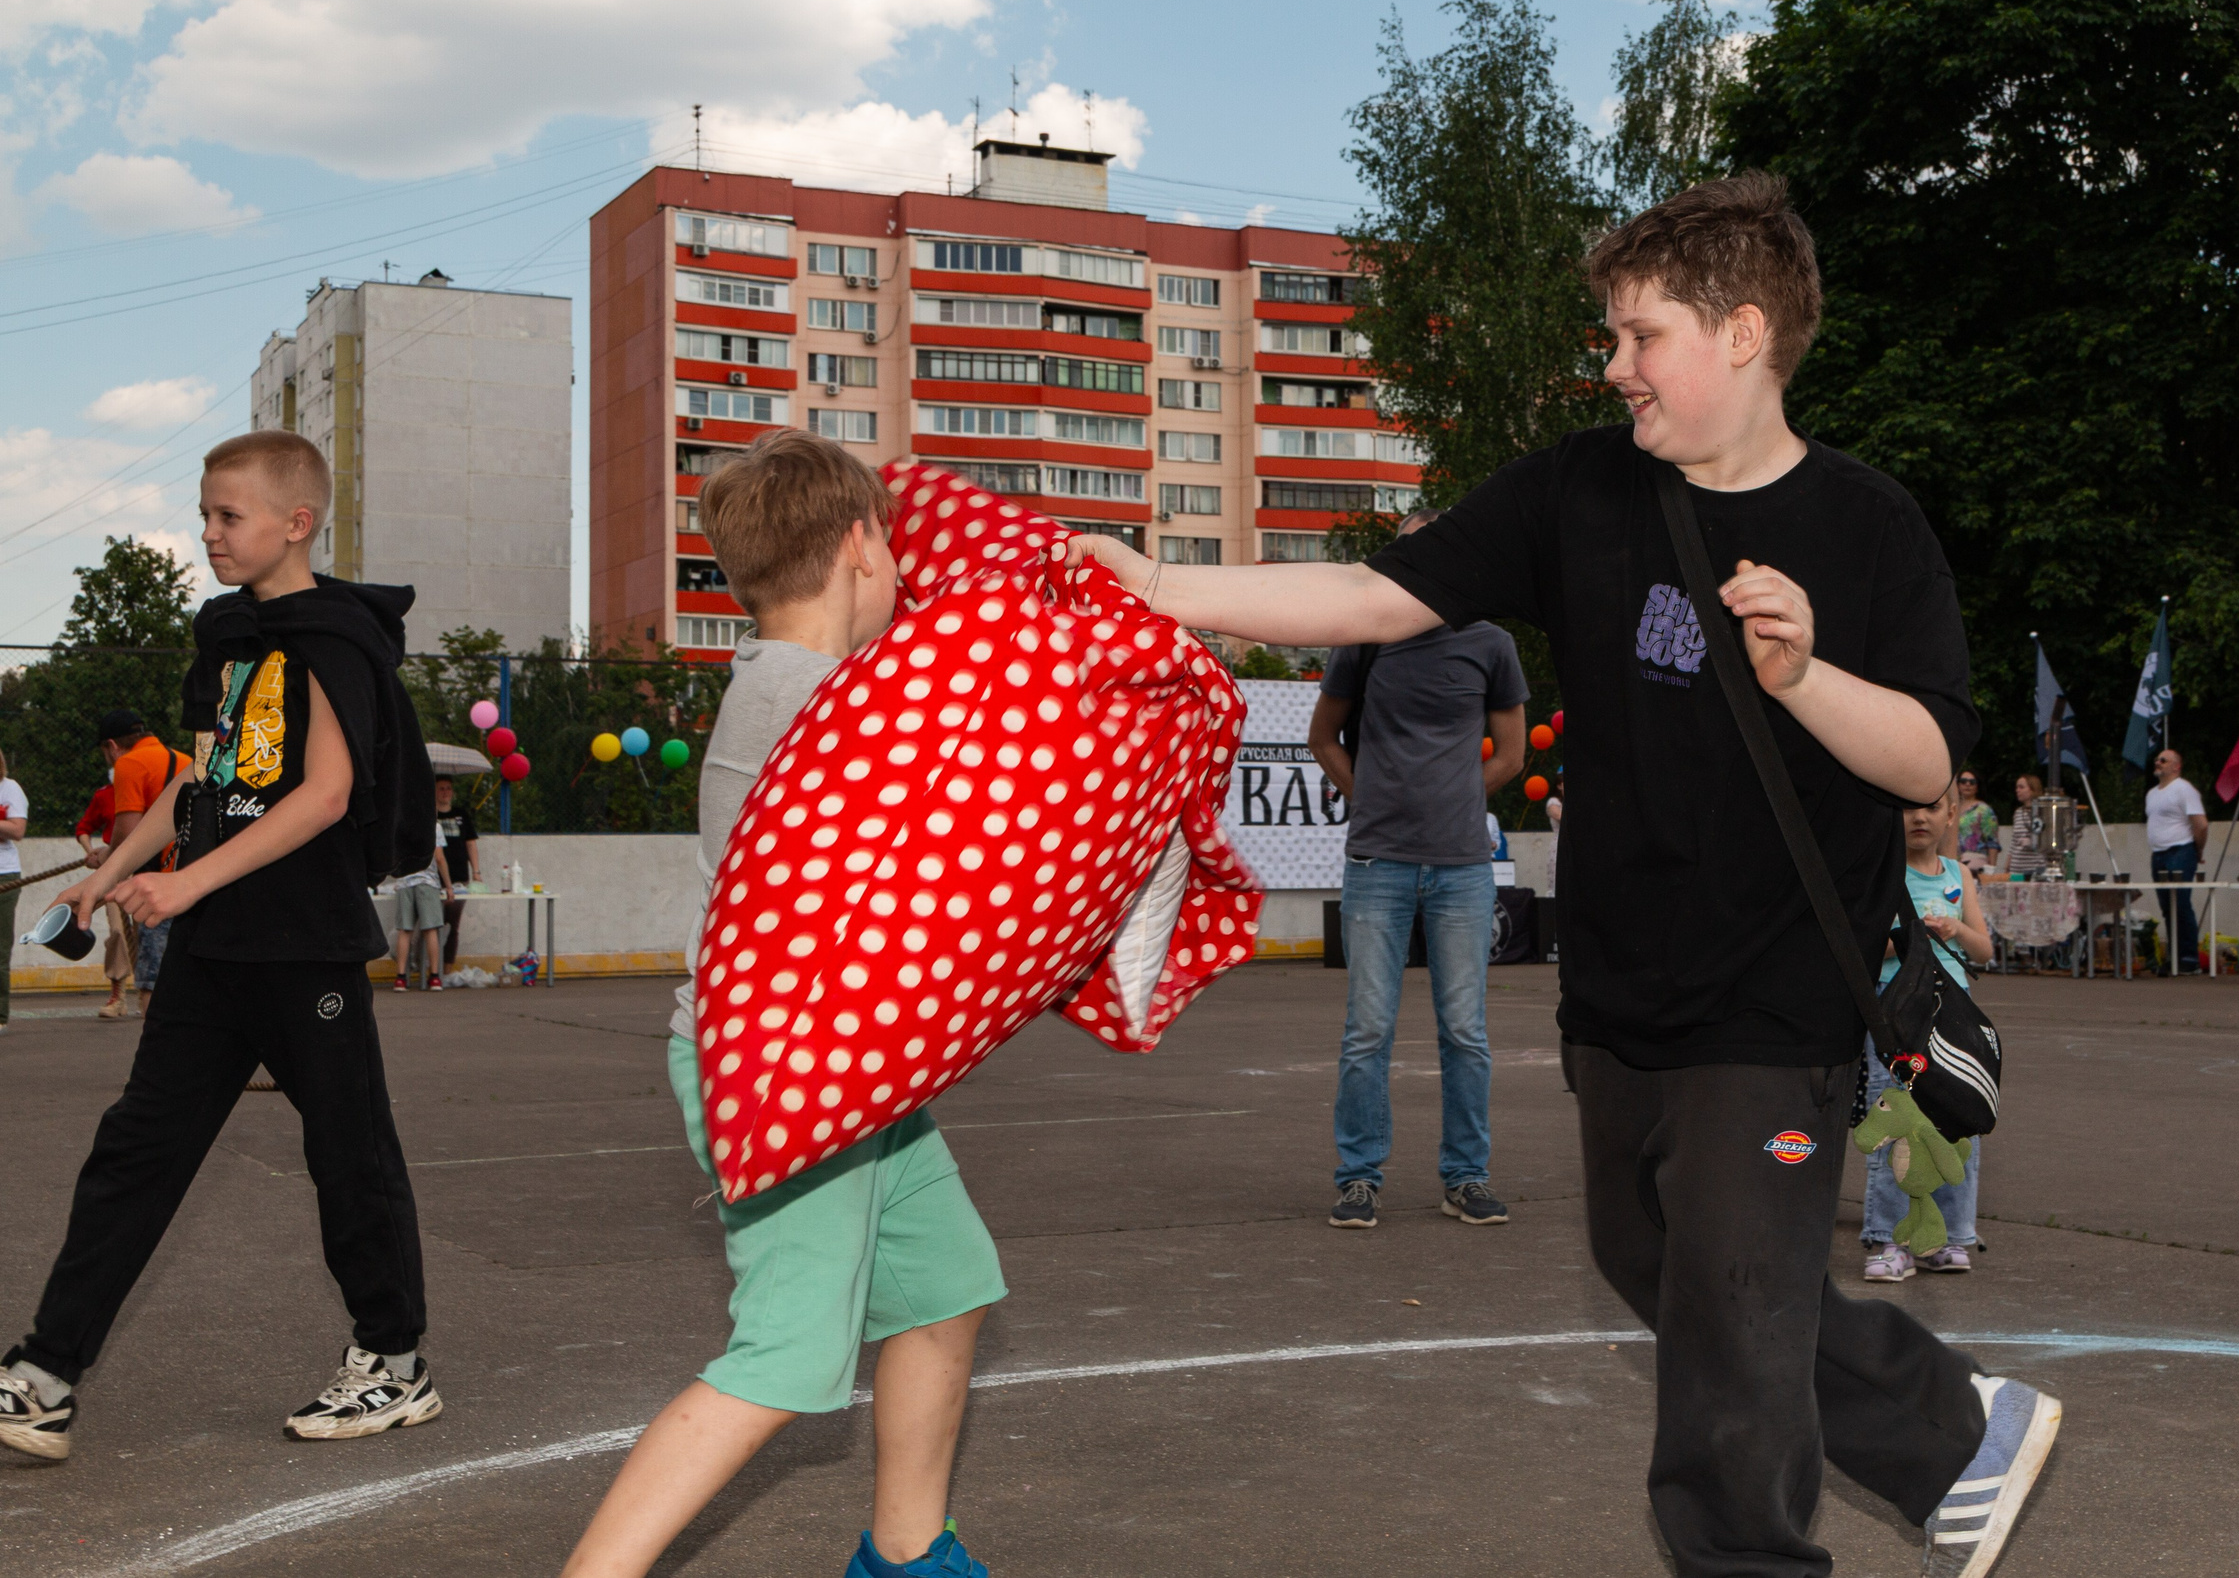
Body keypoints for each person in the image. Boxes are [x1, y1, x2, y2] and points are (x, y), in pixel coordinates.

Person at [1064, 173, 2059, 1578]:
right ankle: (1955, 1432)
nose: (1616, 366)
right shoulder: (1578, 489)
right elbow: (1373, 596)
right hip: (1621, 987)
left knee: (1726, 1334)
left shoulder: (1869, 525)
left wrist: (1805, 672)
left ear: (1742, 332)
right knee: (1663, 1266)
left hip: (1777, 1004)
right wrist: (1164, 587)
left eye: (1640, 335)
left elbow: (1924, 762)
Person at [562, 431, 1006, 1578]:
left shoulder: (786, 683)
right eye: (894, 548)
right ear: (860, 543)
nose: (905, 571)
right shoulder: (824, 701)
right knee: (784, 1357)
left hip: (849, 1071)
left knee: (945, 1288)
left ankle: (906, 1553)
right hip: (791, 1074)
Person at [0, 429, 440, 1463]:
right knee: (136, 1154)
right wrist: (111, 876)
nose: (209, 535)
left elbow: (325, 796)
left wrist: (187, 882)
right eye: (203, 514)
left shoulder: (333, 638)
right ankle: (44, 1375)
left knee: (348, 1156)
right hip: (216, 948)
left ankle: (394, 1361)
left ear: (296, 522)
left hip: (305, 945)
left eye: (227, 517)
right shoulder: (227, 637)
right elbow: (203, 783)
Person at [1308, 513, 1529, 1229]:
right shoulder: (1365, 638)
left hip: (1462, 867)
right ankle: (1358, 1178)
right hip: (1377, 861)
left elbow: (1511, 753)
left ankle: (1465, 1177)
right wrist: (1366, 793)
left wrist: (1462, 799)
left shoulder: (1490, 643)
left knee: (1464, 1030)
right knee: (1366, 1030)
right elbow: (1323, 736)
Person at [1863, 783, 1993, 1281]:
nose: (1921, 818)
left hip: (1952, 1019)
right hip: (1897, 1017)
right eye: (1909, 808)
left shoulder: (1960, 875)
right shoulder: (1883, 876)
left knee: (1959, 1123)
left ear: (1951, 814)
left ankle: (1949, 1236)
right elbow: (1865, 954)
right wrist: (1908, 939)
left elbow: (1983, 951)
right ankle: (1887, 1242)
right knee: (1896, 1125)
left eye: (1933, 808)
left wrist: (1955, 930)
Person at [99, 708, 192, 1016]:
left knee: (153, 982)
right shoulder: (186, 761)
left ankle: (160, 1056)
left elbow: (127, 831)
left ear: (112, 746)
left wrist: (107, 859)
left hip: (157, 884)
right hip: (193, 880)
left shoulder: (129, 763)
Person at [71, 774, 140, 1019]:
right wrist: (91, 853)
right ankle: (118, 995)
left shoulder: (147, 786)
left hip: (147, 865)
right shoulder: (105, 795)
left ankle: (150, 992)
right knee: (118, 931)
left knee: (149, 931)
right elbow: (84, 827)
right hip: (115, 869)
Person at [2145, 748, 2208, 973]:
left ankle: (2189, 958)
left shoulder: (2184, 789)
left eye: (2164, 760)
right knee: (2167, 907)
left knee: (2180, 904)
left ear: (2176, 766)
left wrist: (2197, 850)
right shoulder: (2152, 793)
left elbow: (2200, 824)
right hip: (2159, 854)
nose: (2158, 763)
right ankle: (2173, 956)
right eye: (2157, 759)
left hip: (2180, 850)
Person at [383, 844, 450, 991]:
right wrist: (449, 886)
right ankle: (434, 977)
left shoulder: (399, 822)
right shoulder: (434, 825)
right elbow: (439, 857)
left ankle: (400, 978)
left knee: (405, 930)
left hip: (404, 882)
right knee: (430, 930)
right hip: (428, 881)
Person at [433, 775, 480, 971]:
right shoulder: (429, 815)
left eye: (448, 788)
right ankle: (431, 967)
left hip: (459, 877)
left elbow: (470, 843)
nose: (445, 792)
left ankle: (448, 968)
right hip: (434, 878)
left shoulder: (461, 815)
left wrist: (476, 871)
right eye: (441, 788)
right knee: (432, 924)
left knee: (452, 924)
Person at [0, 745, 23, 1031]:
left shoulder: (10, 788)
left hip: (4, 876)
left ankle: (0, 1015)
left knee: (0, 948)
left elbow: (18, 829)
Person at [2001, 772, 2048, 879]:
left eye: (2021, 787)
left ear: (2032, 789)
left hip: (2035, 868)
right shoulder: (2018, 812)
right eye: (2017, 787)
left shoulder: (2043, 813)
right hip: (2016, 868)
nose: (2017, 790)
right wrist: (2008, 863)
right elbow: (2014, 840)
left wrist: (2032, 842)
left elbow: (2046, 839)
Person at [1952, 769, 1999, 874]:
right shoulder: (1953, 809)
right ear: (1958, 785)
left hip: (1976, 865)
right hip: (1953, 862)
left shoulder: (1984, 810)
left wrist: (1991, 870)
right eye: (1963, 781)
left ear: (1977, 786)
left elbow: (1992, 842)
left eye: (1972, 782)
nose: (1967, 784)